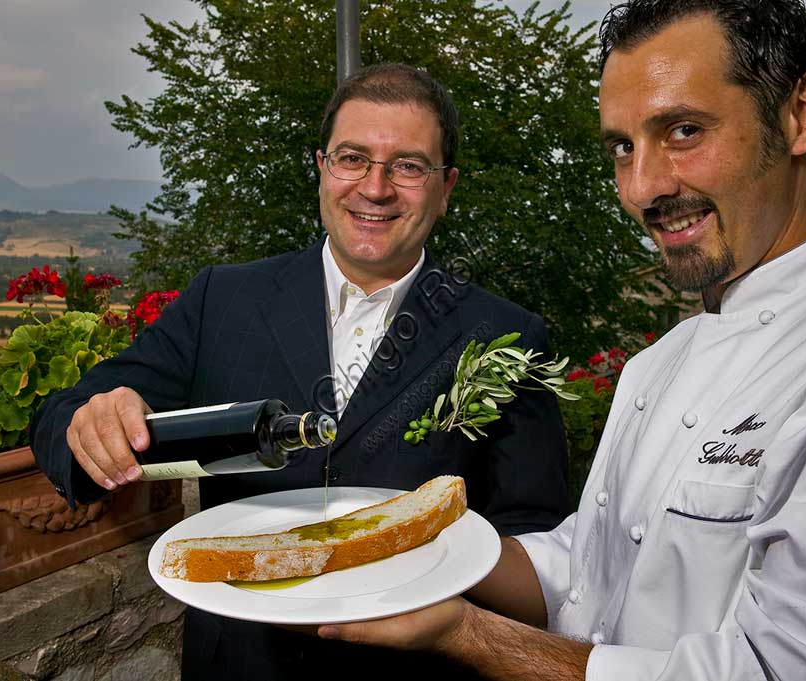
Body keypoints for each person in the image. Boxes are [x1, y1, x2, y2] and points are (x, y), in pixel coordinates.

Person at [316, 2, 806, 679]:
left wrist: (468, 634)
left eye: (683, 130)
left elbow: (793, 671)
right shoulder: (660, 363)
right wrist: (413, 529)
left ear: (802, 112)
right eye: (623, 146)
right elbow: (583, 567)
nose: (642, 187)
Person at [30, 63, 571, 680]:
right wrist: (89, 421)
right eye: (352, 158)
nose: (375, 187)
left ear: (446, 188)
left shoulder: (506, 336)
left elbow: (537, 543)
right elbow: (60, 416)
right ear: (321, 168)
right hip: (238, 665)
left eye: (409, 166)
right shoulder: (222, 298)